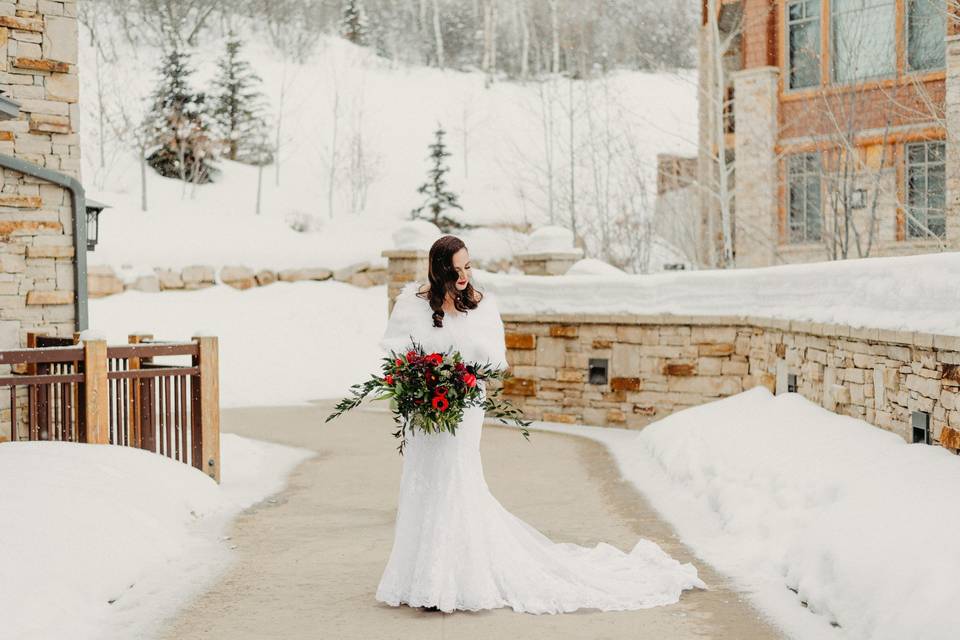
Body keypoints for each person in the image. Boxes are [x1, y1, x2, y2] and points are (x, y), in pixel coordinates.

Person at [375, 235, 706, 614]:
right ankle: (418, 575)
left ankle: (449, 578)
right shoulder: (412, 304)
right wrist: (421, 376)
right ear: (439, 269)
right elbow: (394, 353)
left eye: (468, 266)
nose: (465, 275)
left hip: (464, 409)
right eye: (456, 268)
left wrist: (460, 369)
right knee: (424, 480)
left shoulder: (482, 306)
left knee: (455, 478)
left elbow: (496, 361)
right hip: (424, 412)